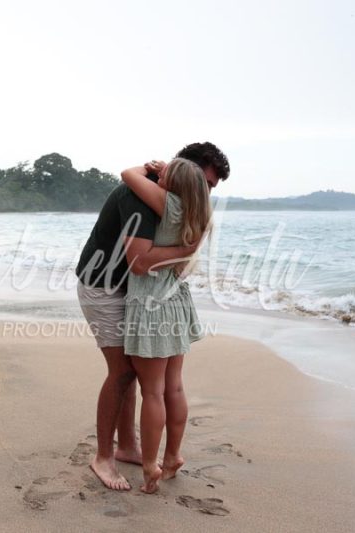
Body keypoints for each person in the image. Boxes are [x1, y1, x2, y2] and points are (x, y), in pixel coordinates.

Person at [75, 142, 230, 491]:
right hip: (104, 286)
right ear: (181, 170)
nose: (205, 194)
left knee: (134, 369)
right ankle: (103, 456)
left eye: (211, 189)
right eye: (204, 184)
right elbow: (141, 262)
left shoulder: (177, 200)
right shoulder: (140, 195)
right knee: (123, 371)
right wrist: (187, 249)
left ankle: (129, 445)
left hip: (138, 293)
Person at [120, 158, 212, 493]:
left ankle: (149, 466)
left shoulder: (169, 204)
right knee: (174, 387)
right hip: (177, 302)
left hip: (151, 304)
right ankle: (172, 456)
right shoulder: (200, 214)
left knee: (153, 392)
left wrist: (148, 168)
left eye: (166, 174)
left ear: (173, 183)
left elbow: (127, 175)